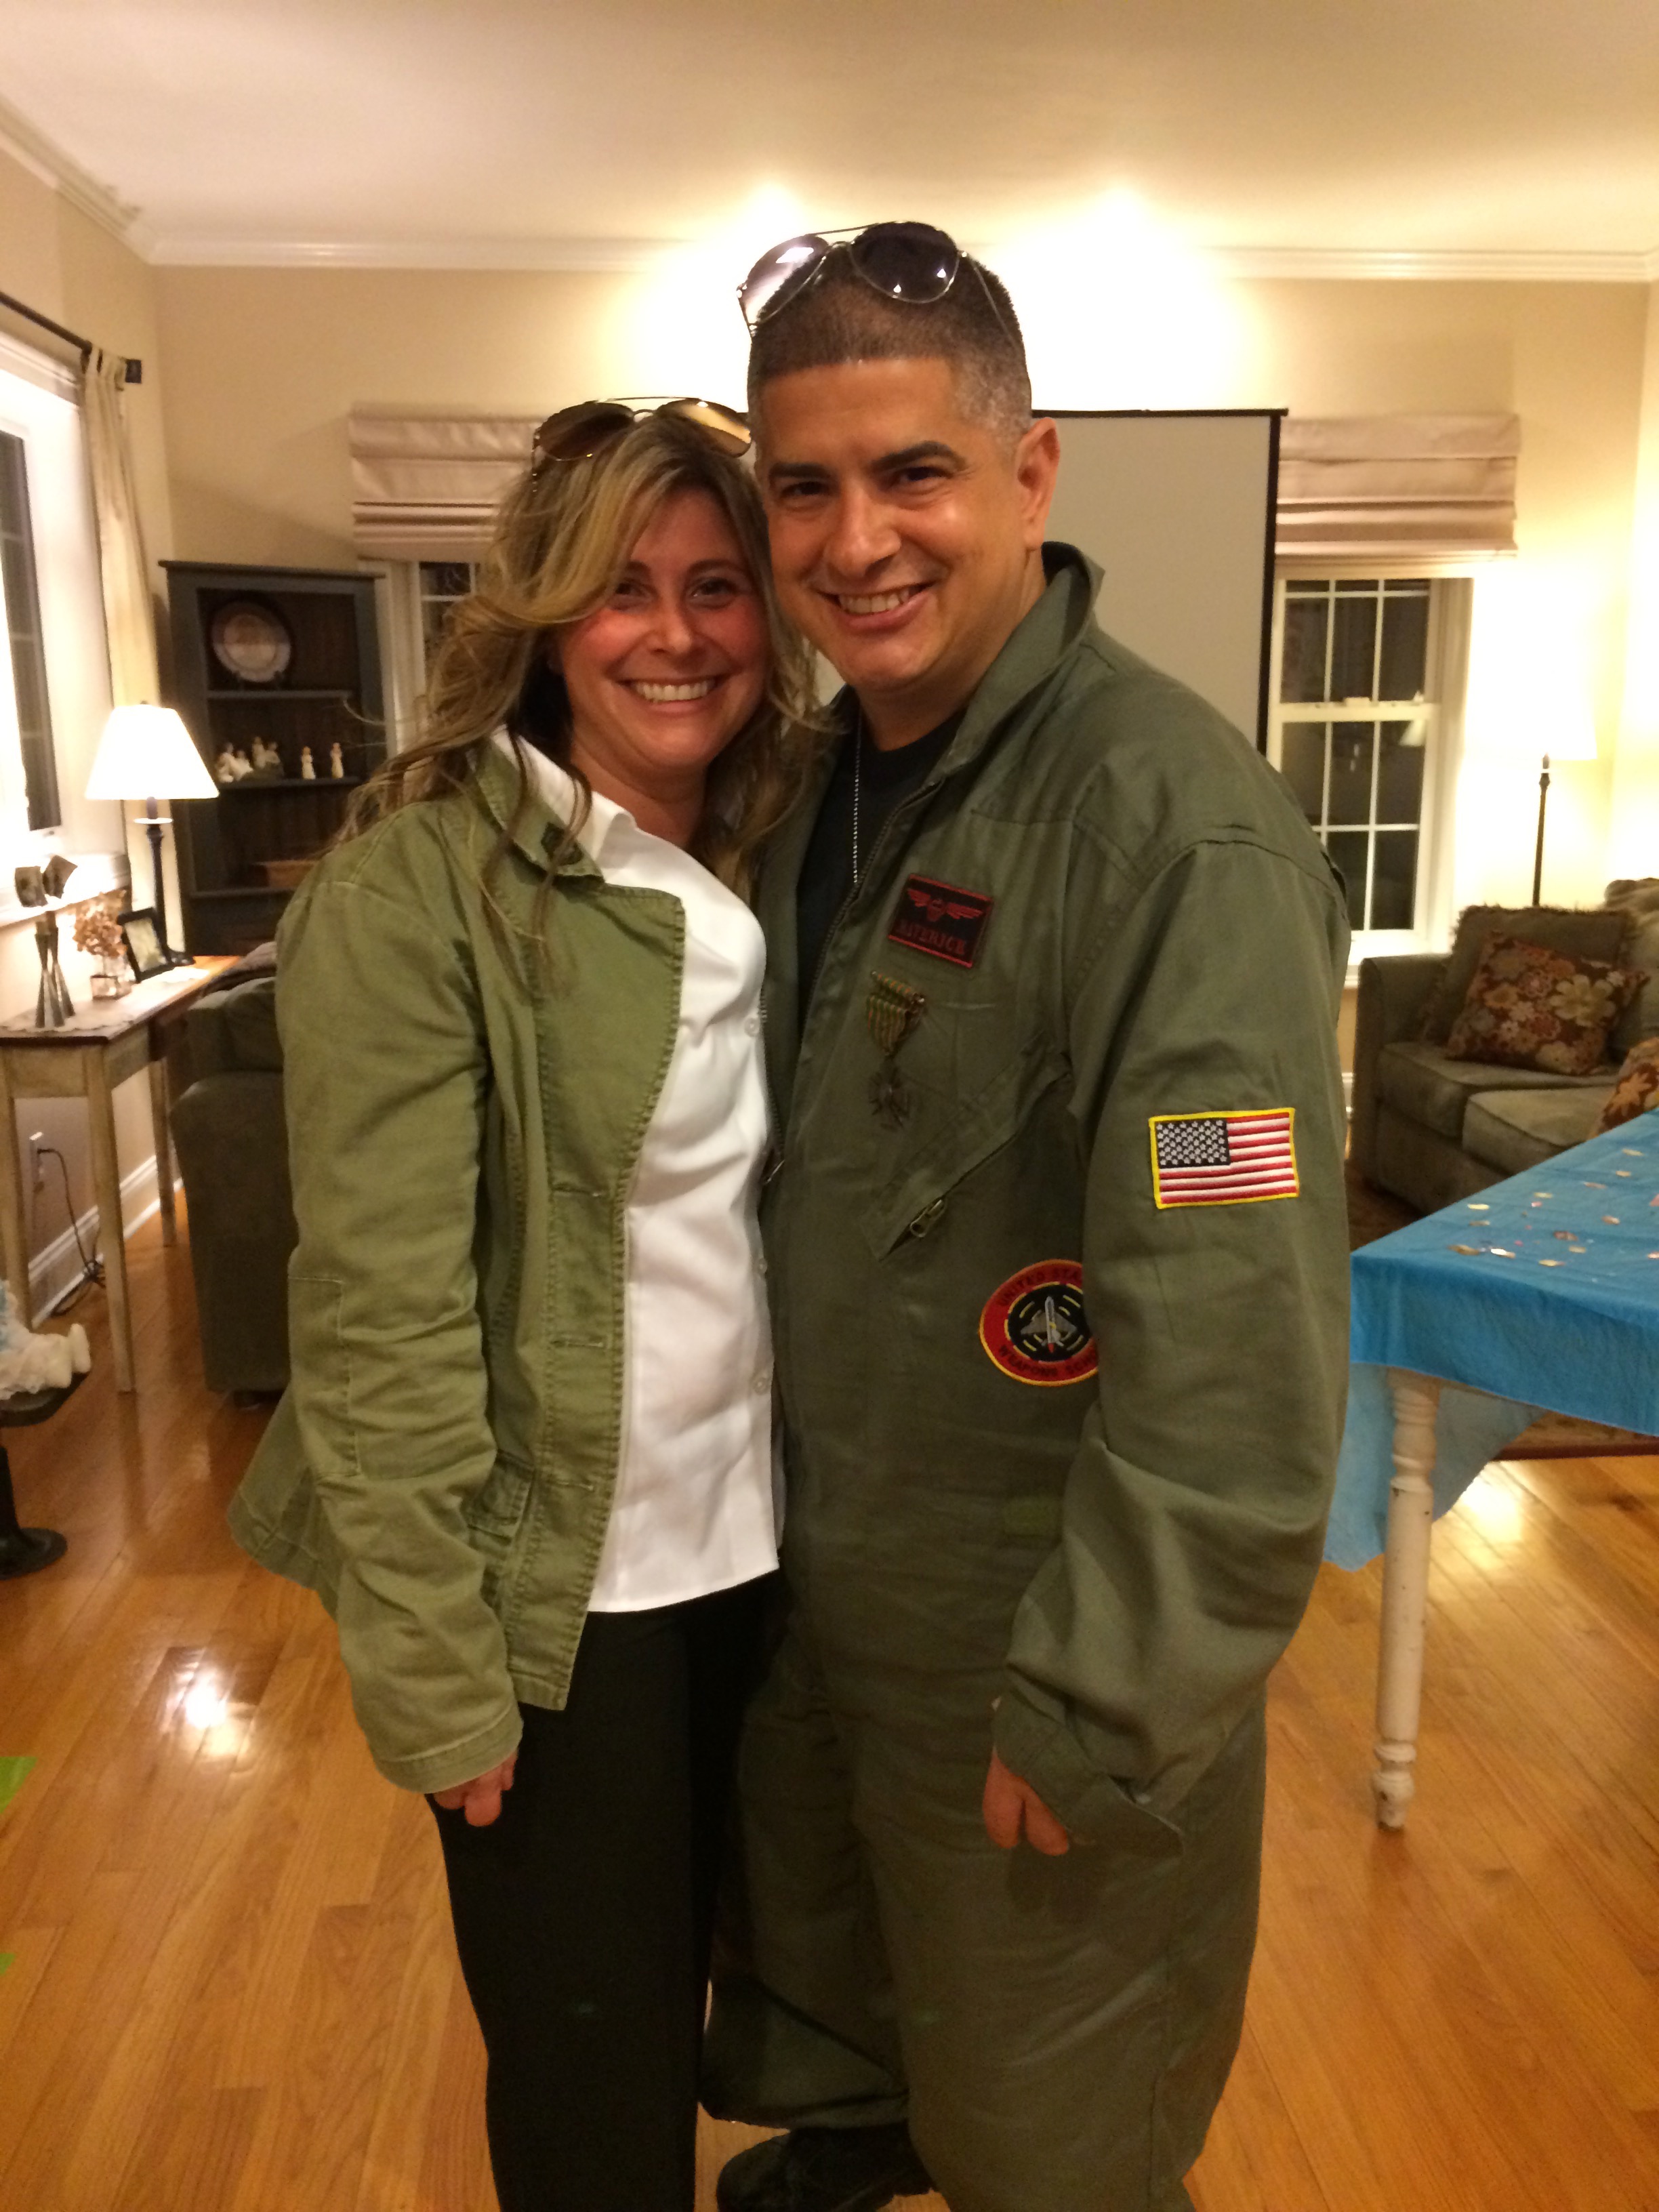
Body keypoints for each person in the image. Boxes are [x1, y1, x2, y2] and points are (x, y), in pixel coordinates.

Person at [701, 225, 1352, 2212]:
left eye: (914, 472)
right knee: (854, 2027)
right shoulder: (809, 791)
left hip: (1035, 1638)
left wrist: (1106, 1697)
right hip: (824, 1592)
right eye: (804, 488)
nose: (856, 541)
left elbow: (1237, 1349)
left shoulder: (1175, 832)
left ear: (1030, 471)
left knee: (1060, 2133)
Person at [228, 399, 817, 2212]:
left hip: (772, 1554)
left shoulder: (795, 840)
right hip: (568, 1596)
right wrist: (430, 1665)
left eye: (718, 585)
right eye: (623, 587)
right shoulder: (421, 892)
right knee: (591, 2083)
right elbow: (377, 1321)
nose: (676, 633)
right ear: (547, 616)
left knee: (774, 2016)